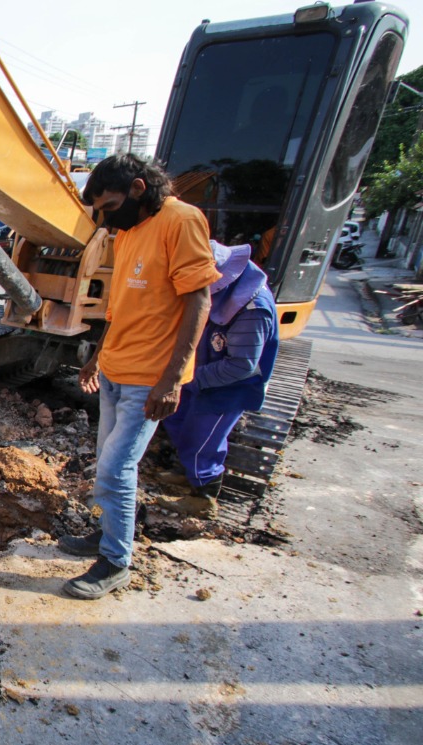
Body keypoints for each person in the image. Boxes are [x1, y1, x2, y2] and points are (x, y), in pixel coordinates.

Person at [58, 153, 217, 600]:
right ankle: (105, 533)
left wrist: (171, 380)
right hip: (114, 370)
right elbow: (120, 308)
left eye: (110, 207)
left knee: (116, 468)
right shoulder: (127, 234)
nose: (107, 220)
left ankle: (115, 561)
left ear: (138, 188)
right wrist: (97, 357)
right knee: (106, 462)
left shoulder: (182, 221)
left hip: (148, 380)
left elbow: (198, 300)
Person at [159, 241, 279, 510]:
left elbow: (241, 365)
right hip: (200, 375)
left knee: (203, 437)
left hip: (228, 388)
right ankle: (188, 471)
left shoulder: (252, 309)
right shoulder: (225, 297)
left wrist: (187, 377)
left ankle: (203, 495)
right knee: (178, 420)